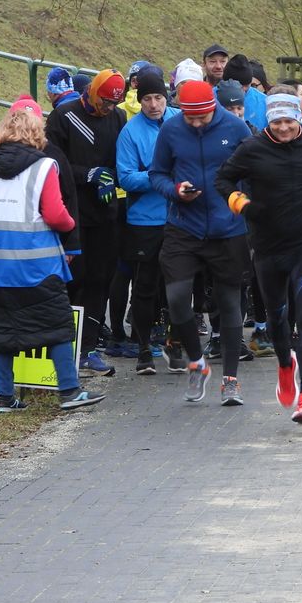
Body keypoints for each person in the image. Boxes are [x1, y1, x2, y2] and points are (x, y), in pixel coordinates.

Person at [215, 88, 302, 422]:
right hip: (267, 244)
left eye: (289, 121)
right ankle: (286, 365)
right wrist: (241, 203)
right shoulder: (252, 148)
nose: (284, 128)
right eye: (277, 122)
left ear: (298, 117)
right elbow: (223, 179)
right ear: (269, 121)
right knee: (278, 320)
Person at [0, 98, 105, 413]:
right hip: (35, 263)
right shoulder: (44, 165)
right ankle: (70, 391)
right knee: (57, 325)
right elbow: (56, 214)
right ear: (36, 133)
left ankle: (5, 398)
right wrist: (71, 225)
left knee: (2, 330)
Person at [149, 79, 251, 405]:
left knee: (229, 303)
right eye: (189, 118)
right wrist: (175, 191)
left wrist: (242, 201)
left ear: (213, 109)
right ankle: (197, 362)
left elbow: (255, 173)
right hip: (184, 227)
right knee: (177, 298)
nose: (194, 123)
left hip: (228, 229)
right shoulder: (171, 129)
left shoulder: (236, 129)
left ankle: (231, 380)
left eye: (201, 118)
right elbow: (157, 174)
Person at [44, 69, 128, 377]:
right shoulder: (64, 117)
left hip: (106, 211)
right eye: (104, 102)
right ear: (93, 93)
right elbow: (52, 162)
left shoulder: (117, 118)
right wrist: (86, 174)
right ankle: (64, 349)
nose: (107, 109)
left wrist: (111, 177)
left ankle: (89, 348)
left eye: (113, 104)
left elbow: (123, 159)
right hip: (72, 213)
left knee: (100, 279)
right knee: (73, 281)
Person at [117, 67, 180, 376]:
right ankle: (143, 349)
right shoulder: (130, 132)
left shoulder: (179, 121)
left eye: (158, 98)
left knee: (179, 286)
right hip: (144, 220)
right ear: (139, 100)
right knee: (144, 286)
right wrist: (159, 177)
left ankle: (175, 343)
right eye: (147, 99)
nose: (154, 104)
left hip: (180, 217)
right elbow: (126, 177)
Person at [221, 54, 267, 131]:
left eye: (247, 85)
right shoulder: (211, 97)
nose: (243, 90)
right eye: (238, 86)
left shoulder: (265, 102)